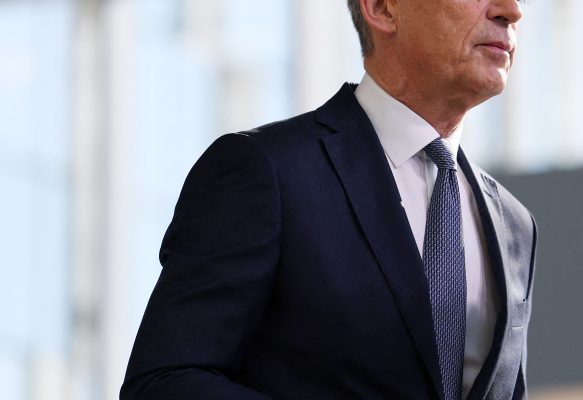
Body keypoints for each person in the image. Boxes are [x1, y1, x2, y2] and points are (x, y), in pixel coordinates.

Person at [120, 0, 537, 398]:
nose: (511, 11)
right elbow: (164, 383)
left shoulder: (514, 226)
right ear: (383, 8)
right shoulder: (266, 171)